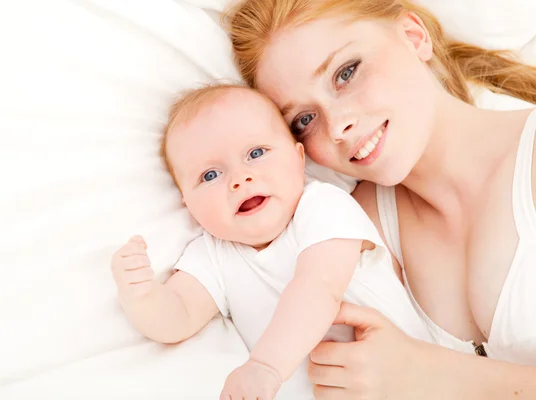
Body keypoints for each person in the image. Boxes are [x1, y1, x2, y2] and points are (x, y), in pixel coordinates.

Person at [227, 0, 536, 398]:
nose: (338, 126)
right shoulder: (355, 229)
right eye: (305, 120)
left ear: (413, 36)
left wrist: (430, 373)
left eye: (346, 73)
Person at [110, 83, 433, 399]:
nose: (240, 179)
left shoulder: (322, 207)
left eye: (256, 153)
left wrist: (266, 366)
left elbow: (319, 287)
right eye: (210, 175)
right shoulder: (213, 253)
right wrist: (141, 295)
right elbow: (178, 319)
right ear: (186, 201)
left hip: (407, 386)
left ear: (298, 158)